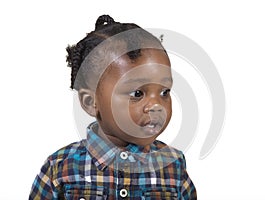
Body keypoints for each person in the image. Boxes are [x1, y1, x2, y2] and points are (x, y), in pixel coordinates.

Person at [29, 14, 197, 199]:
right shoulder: (60, 168)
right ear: (90, 102)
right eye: (137, 94)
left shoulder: (173, 165)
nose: (157, 105)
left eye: (164, 92)